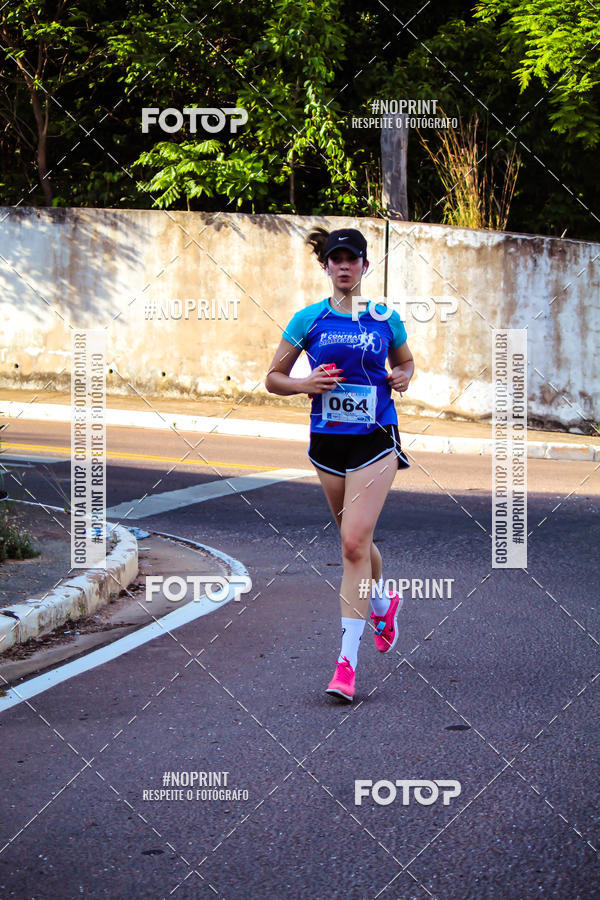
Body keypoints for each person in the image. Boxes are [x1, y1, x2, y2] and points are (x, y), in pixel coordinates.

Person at [265, 226, 415, 701]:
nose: (345, 266)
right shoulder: (307, 320)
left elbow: (408, 362)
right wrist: (305, 386)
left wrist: (402, 376)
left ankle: (346, 664)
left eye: (353, 259)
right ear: (326, 267)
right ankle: (382, 600)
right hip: (327, 441)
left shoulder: (384, 317)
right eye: (337, 259)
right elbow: (273, 378)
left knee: (352, 544)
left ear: (365, 267)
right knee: (356, 541)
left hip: (374, 437)